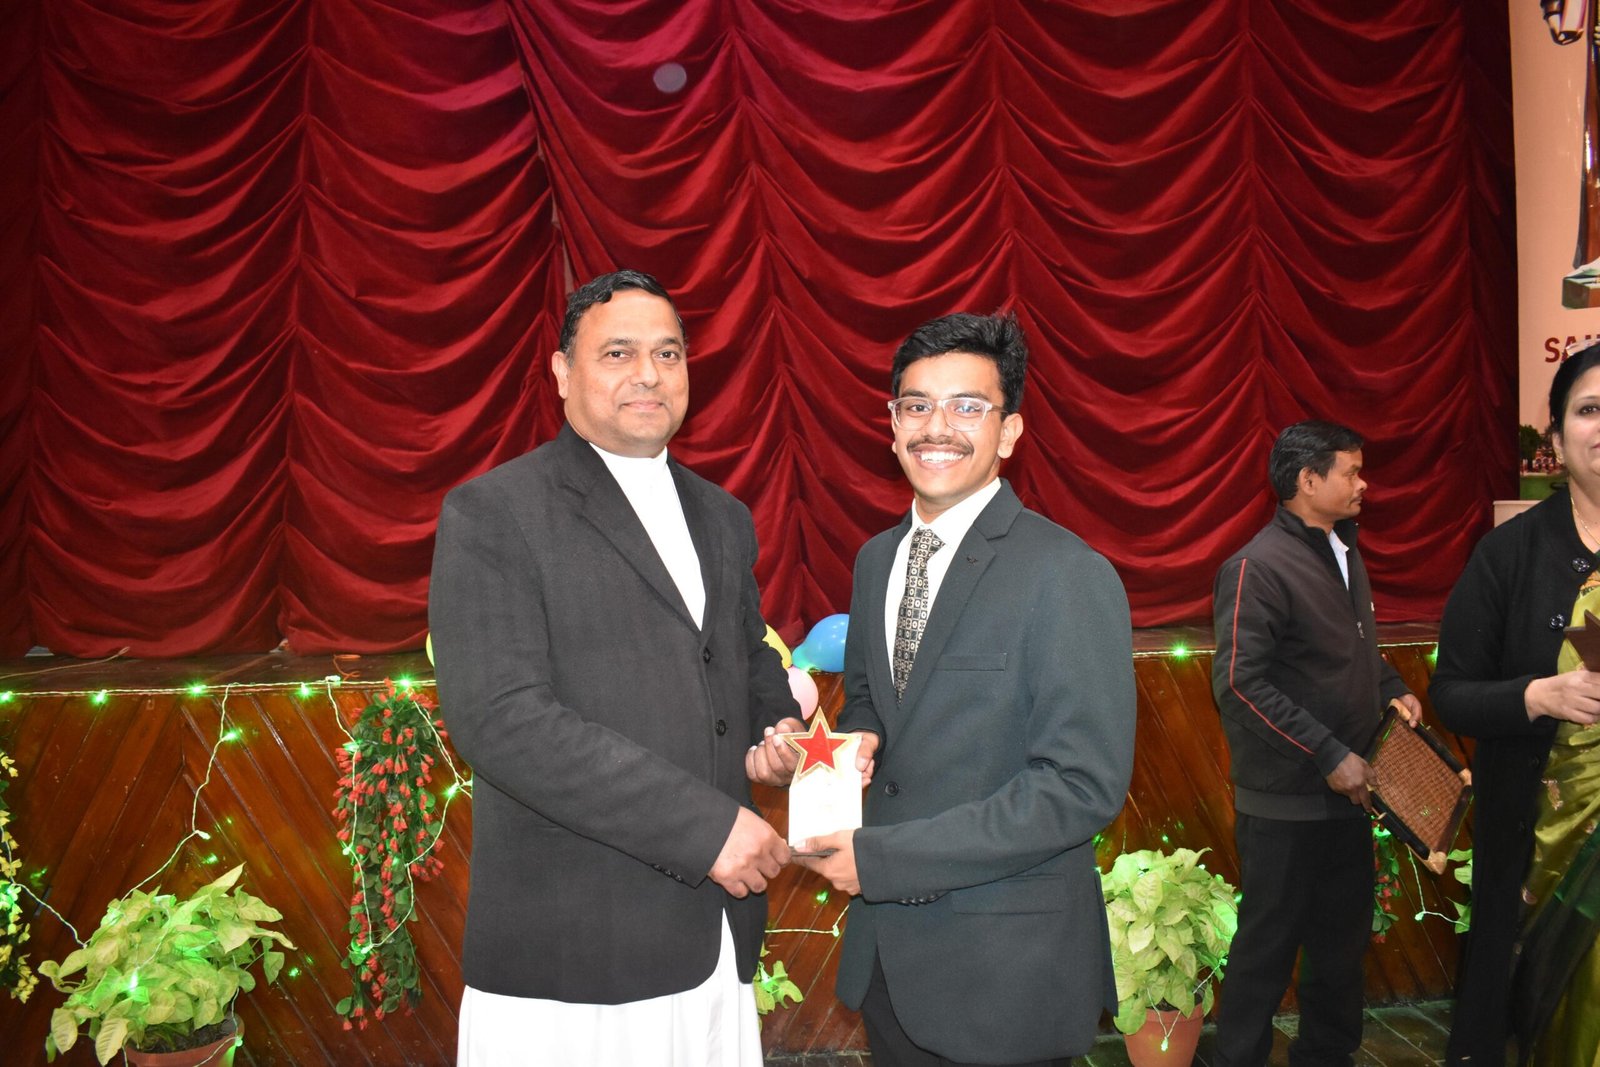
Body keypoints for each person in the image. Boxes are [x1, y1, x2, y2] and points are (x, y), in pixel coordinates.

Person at [429, 269, 802, 1066]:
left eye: (668, 353)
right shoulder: (493, 512)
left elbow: (744, 659)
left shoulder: (723, 515)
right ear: (563, 373)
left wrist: (781, 734)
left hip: (714, 942)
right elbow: (503, 721)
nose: (648, 374)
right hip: (576, 956)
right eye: (618, 353)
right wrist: (707, 829)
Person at [793, 312, 1136, 1066]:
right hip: (887, 964)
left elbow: (1080, 786)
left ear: (1009, 431)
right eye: (916, 405)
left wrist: (884, 860)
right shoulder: (876, 560)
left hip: (1004, 972)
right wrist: (860, 736)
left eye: (967, 406)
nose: (936, 427)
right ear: (892, 425)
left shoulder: (1068, 573)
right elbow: (875, 700)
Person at [1210, 420, 1422, 1067]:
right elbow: (1238, 683)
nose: (1364, 484)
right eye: (1351, 472)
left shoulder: (1344, 550)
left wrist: (1393, 688)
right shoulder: (1257, 565)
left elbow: (1351, 652)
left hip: (1352, 796)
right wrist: (1328, 753)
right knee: (1265, 954)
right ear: (1308, 480)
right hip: (1286, 805)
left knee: (1340, 951)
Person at [1432, 343, 1600, 1067]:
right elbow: (1451, 693)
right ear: (1556, 438)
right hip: (1543, 859)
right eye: (1589, 409)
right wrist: (1538, 695)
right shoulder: (1509, 554)